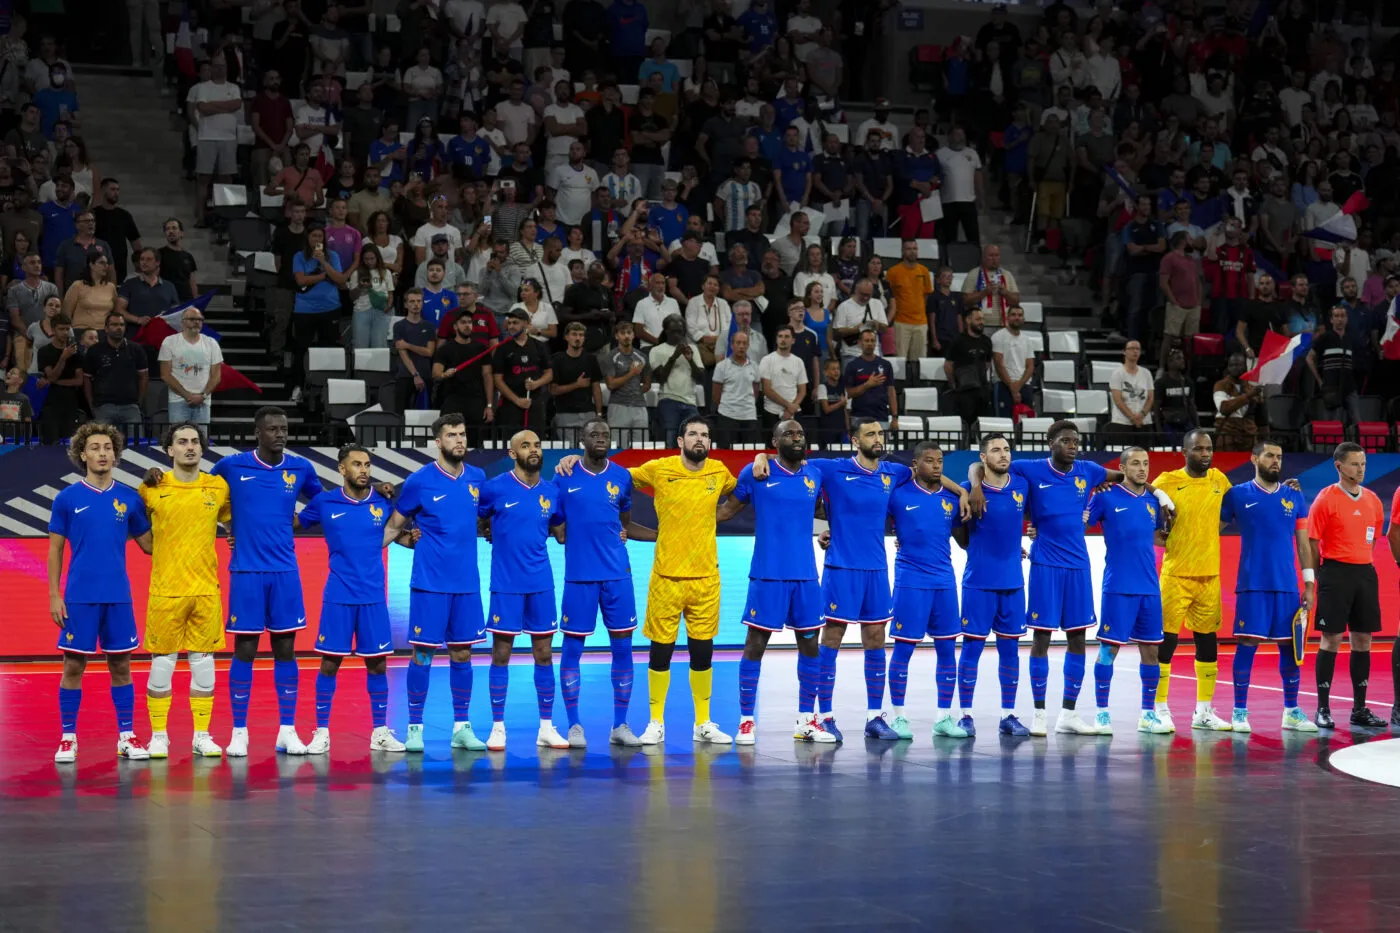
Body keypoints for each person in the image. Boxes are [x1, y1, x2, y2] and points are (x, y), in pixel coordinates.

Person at [748, 420, 966, 740]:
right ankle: (823, 716)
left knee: (875, 642)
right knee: (831, 642)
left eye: (880, 434)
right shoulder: (833, 469)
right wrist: (761, 458)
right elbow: (792, 461)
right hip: (841, 569)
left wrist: (961, 490)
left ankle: (874, 718)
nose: (878, 439)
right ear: (854, 440)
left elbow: (929, 474)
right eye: (871, 435)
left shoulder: (894, 471)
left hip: (877, 570)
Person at [968, 420, 1174, 736]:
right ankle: (1038, 715)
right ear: (1051, 443)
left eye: (1076, 441)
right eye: (1066, 440)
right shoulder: (1030, 468)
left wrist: (1158, 493)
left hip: (1079, 566)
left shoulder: (1088, 470)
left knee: (1078, 638)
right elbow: (978, 465)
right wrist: (975, 486)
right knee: (1042, 638)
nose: (1072, 445)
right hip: (1046, 566)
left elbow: (1128, 476)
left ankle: (1069, 714)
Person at [556, 415, 738, 745]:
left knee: (703, 652)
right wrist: (572, 458)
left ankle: (703, 722)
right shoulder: (657, 469)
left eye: (705, 435)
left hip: (706, 576)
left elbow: (745, 492)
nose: (700, 439)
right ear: (680, 441)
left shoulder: (720, 472)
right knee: (660, 651)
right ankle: (655, 721)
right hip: (665, 576)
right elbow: (614, 477)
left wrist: (761, 462)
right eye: (693, 434)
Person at [209, 407, 324, 757]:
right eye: (272, 429)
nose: (280, 434)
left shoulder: (300, 468)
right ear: (257, 433)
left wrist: (300, 523)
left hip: (285, 572)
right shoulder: (231, 466)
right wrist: (228, 528)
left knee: (285, 649)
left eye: (284, 429)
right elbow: (205, 498)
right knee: (245, 649)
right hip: (246, 573)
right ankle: (239, 732)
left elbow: (322, 502)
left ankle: (287, 730)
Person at [380, 415, 490, 752]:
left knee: (463, 654)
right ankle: (414, 729)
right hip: (430, 584)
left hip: (467, 584)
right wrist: (365, 550)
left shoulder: (478, 477)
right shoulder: (419, 481)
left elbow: (485, 516)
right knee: (423, 655)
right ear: (438, 442)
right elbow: (392, 526)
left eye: (463, 434)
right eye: (452, 435)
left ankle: (462, 728)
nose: (459, 440)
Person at [719, 419, 832, 745]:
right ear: (774, 439)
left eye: (800, 433)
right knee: (755, 645)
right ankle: (746, 721)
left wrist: (833, 530)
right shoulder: (756, 473)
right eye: (788, 434)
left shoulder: (815, 474)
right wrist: (683, 521)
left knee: (811, 645)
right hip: (768, 575)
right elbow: (726, 512)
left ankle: (805, 720)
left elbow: (831, 510)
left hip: (807, 578)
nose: (796, 438)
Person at [134, 423, 231, 760]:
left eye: (195, 442)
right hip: (166, 591)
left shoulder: (217, 486)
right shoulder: (150, 489)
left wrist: (233, 536)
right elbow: (140, 534)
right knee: (162, 665)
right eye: (181, 442)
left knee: (203, 665)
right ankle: (159, 736)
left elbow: (235, 523)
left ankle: (201, 735)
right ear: (169, 450)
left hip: (206, 590)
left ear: (202, 449)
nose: (190, 447)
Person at [476, 430, 570, 751]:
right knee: (501, 654)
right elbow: (478, 519)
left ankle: (546, 727)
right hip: (506, 584)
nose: (533, 450)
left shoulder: (551, 491)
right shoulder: (494, 488)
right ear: (512, 453)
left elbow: (559, 531)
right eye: (525, 445)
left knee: (544, 655)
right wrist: (490, 530)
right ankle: (498, 727)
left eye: (537, 445)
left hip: (541, 583)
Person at [554, 419, 644, 747]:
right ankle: (574, 725)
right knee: (572, 649)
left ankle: (620, 725)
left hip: (618, 575)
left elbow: (624, 523)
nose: (601, 439)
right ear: (582, 440)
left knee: (623, 648)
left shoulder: (622, 476)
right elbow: (556, 526)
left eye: (606, 434)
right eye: (594, 434)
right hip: (579, 577)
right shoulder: (563, 475)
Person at [1086, 447, 1174, 735]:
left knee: (1151, 651)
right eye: (1135, 463)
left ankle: (1147, 715)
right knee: (1109, 648)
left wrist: (1162, 498)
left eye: (1145, 464)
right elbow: (1077, 524)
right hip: (1118, 586)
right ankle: (1101, 714)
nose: (1142, 468)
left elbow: (1158, 537)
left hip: (1149, 587)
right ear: (1123, 467)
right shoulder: (1105, 496)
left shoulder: (1152, 500)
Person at [886, 443, 969, 739]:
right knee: (903, 650)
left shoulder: (952, 498)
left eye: (940, 461)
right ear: (916, 463)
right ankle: (898, 718)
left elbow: (965, 540)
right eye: (930, 461)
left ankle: (944, 718)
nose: (936, 466)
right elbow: (870, 524)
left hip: (944, 581)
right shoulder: (898, 495)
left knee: (947, 650)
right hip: (911, 581)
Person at [953, 433, 1030, 737]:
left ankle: (1008, 714)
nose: (1003, 454)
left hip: (1012, 581)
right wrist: (974, 486)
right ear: (984, 457)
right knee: (972, 648)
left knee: (1010, 649)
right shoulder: (968, 488)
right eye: (995, 450)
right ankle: (965, 715)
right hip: (979, 582)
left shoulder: (1022, 484)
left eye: (1007, 449)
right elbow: (958, 532)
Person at [1306, 442, 1387, 730]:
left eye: (1363, 464)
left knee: (1363, 640)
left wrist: (1362, 562)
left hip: (1364, 573)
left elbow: (1373, 538)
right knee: (1331, 639)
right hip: (1334, 573)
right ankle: (1323, 709)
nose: (1361, 469)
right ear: (1339, 466)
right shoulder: (1325, 499)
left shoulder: (1374, 500)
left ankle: (1359, 709)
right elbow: (1312, 541)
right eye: (1355, 464)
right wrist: (1318, 576)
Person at [158, 306, 222, 426]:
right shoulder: (169, 342)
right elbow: (165, 375)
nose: (197, 322)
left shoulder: (211, 343)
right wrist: (187, 395)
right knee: (179, 439)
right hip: (178, 401)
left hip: (203, 402)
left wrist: (202, 396)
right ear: (183, 322)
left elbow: (216, 376)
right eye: (192, 319)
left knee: (201, 441)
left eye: (200, 319)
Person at [84, 311, 148, 429]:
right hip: (103, 406)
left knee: (135, 445)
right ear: (106, 328)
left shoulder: (136, 349)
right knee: (102, 444)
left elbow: (144, 376)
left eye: (121, 325)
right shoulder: (95, 351)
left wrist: (138, 402)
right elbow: (87, 379)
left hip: (130, 407)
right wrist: (91, 405)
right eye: (114, 325)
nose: (118, 328)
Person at [492, 307, 553, 429]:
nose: (511, 326)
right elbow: (498, 380)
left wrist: (536, 383)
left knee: (534, 441)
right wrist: (517, 400)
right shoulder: (502, 348)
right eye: (509, 323)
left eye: (515, 323)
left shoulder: (539, 346)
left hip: (535, 402)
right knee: (511, 443)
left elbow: (549, 374)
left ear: (526, 323)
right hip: (510, 404)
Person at [649, 313, 704, 445]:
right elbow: (660, 377)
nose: (677, 335)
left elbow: (701, 377)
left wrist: (690, 360)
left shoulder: (693, 349)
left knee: (693, 441)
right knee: (671, 441)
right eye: (674, 331)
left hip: (690, 402)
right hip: (668, 401)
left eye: (680, 332)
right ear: (666, 331)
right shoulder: (656, 350)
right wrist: (674, 357)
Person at [549, 321, 604, 437]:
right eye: (574, 334)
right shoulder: (557, 360)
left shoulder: (591, 359)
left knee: (590, 450)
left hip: (588, 413)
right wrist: (576, 385)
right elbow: (553, 390)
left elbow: (596, 388)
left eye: (581, 335)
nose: (578, 338)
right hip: (565, 413)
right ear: (566, 337)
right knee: (570, 452)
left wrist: (598, 414)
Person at [944, 308, 993, 426]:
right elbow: (948, 365)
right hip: (964, 391)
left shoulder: (987, 341)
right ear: (968, 320)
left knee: (982, 424)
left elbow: (987, 363)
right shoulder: (958, 341)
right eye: (978, 319)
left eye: (982, 319)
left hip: (982, 390)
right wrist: (954, 384)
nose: (981, 322)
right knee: (965, 424)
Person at [711, 329, 760, 446]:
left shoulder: (754, 366)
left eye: (744, 343)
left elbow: (756, 392)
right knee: (726, 454)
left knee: (749, 454)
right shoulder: (721, 366)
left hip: (749, 416)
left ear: (748, 345)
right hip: (727, 415)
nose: (741, 346)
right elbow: (716, 395)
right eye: (738, 343)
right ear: (732, 345)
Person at [886, 240, 933, 361]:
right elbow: (889, 297)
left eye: (915, 248)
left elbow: (926, 296)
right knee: (900, 362)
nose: (912, 252)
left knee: (919, 363)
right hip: (901, 322)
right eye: (909, 249)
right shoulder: (893, 272)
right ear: (902, 252)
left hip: (921, 323)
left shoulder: (924, 271)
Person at [604, 320, 650, 440]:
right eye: (623, 333)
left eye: (629, 332)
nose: (626, 336)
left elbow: (647, 384)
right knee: (618, 446)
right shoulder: (611, 357)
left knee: (641, 446)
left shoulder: (642, 357)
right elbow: (610, 384)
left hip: (639, 406)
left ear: (633, 335)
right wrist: (631, 374)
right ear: (616, 336)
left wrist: (636, 393)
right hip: (618, 405)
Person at [393, 290, 437, 413]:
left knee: (424, 416)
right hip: (405, 376)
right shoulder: (399, 326)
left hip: (426, 375)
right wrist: (415, 375)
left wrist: (408, 345)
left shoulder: (429, 326)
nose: (416, 304)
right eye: (412, 301)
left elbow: (429, 352)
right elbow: (402, 353)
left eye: (419, 301)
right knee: (401, 415)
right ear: (406, 304)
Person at [991, 304, 1035, 418]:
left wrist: (1018, 386)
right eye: (1013, 315)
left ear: (1023, 319)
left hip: (1024, 385)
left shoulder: (1027, 340)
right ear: (1007, 317)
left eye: (1020, 315)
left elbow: (1030, 366)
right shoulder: (998, 337)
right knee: (1003, 423)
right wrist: (1012, 387)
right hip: (1003, 384)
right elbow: (998, 364)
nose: (1017, 317)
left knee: (1026, 426)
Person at [844, 330, 897, 425]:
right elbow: (849, 393)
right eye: (867, 341)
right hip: (859, 417)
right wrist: (867, 385)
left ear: (876, 343)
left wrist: (894, 417)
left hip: (881, 417)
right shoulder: (852, 365)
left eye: (872, 341)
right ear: (860, 343)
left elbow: (891, 392)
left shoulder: (886, 365)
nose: (870, 344)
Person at [1108, 340, 1153, 439]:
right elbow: (1118, 400)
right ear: (1124, 352)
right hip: (1122, 422)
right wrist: (1132, 417)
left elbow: (1150, 398)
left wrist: (1142, 415)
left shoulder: (1146, 373)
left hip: (1144, 422)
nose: (1135, 351)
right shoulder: (1117, 373)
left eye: (1138, 349)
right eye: (1132, 348)